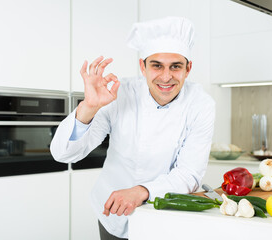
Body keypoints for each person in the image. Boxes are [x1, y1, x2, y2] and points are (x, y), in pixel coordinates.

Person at [50, 16, 215, 240]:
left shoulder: (201, 104)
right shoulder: (119, 94)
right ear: (142, 67)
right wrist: (89, 107)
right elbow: (64, 154)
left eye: (175, 67)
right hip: (112, 212)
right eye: (157, 65)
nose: (166, 77)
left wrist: (142, 191)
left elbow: (189, 173)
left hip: (165, 212)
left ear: (188, 69)